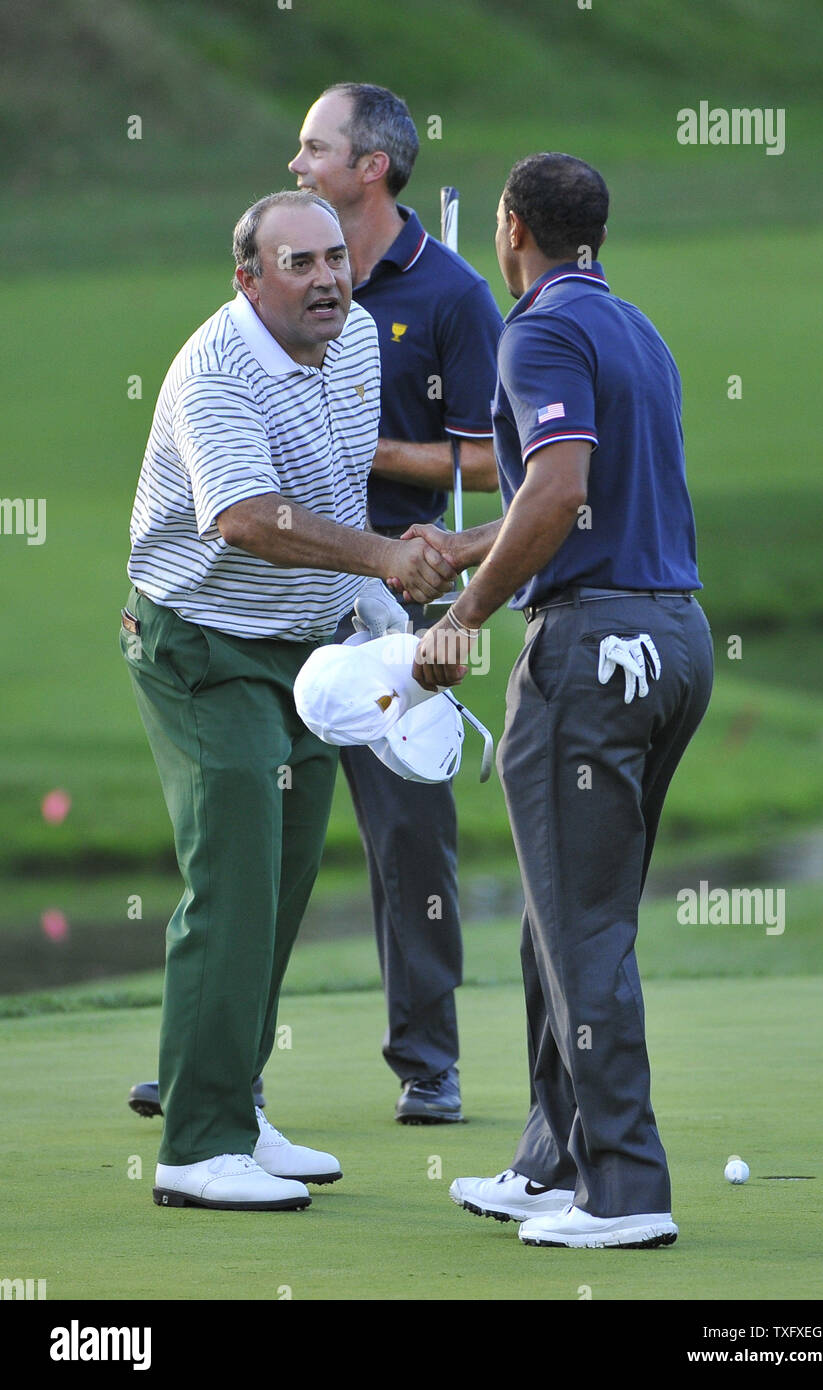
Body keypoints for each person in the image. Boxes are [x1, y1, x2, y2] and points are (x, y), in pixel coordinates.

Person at [121, 189, 455, 1210]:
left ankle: (236, 1102)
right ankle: (194, 1143)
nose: (325, 278)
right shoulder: (217, 370)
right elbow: (247, 519)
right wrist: (389, 559)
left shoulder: (355, 340)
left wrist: (378, 619)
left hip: (307, 650)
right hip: (200, 645)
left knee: (287, 874)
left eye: (333, 259)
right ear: (248, 279)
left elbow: (338, 493)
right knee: (234, 875)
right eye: (298, 263)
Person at [410, 153, 714, 1247]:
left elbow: (557, 491)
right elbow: (571, 501)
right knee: (561, 909)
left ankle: (624, 1189)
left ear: (509, 227)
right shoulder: (637, 330)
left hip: (591, 650)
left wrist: (462, 615)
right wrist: (461, 546)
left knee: (578, 926)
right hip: (672, 639)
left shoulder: (533, 330)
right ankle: (551, 1158)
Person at [288, 83, 504, 1123]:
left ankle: (427, 1061)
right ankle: (212, 1057)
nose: (297, 166)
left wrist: (364, 447)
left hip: (400, 593)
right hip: (286, 584)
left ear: (368, 167)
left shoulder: (455, 295)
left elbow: (497, 465)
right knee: (253, 830)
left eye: (313, 149)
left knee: (409, 834)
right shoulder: (291, 275)